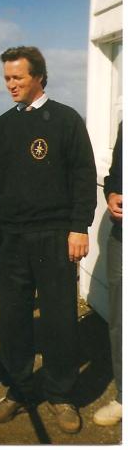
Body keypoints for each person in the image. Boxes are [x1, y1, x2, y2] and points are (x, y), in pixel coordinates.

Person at [0, 46, 97, 434]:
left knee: (59, 317)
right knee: (13, 318)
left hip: (55, 236)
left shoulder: (65, 121)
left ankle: (61, 395)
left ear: (39, 76)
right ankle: (18, 390)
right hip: (10, 236)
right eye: (7, 78)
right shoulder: (3, 126)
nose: (10, 85)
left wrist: (79, 227)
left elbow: (82, 176)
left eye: (17, 78)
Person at [93, 122, 122, 426]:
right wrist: (112, 193)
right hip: (121, 237)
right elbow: (115, 173)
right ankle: (124, 397)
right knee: (120, 320)